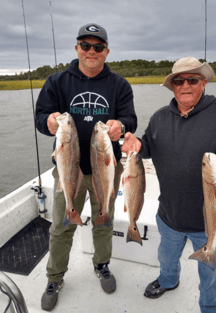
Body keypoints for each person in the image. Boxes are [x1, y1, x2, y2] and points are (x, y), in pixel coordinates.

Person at [122, 57, 216, 313]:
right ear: (172, 86)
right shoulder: (159, 118)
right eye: (179, 81)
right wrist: (137, 144)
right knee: (166, 259)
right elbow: (147, 146)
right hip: (169, 214)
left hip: (207, 222)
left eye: (193, 79)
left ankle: (211, 307)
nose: (185, 85)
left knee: (210, 274)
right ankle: (169, 281)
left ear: (202, 83)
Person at [35, 23, 137, 311]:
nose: (92, 51)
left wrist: (122, 125)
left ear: (106, 51)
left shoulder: (119, 85)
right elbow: (40, 117)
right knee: (61, 226)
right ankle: (55, 278)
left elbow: (130, 118)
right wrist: (50, 122)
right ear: (77, 47)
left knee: (104, 219)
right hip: (68, 168)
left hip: (106, 168)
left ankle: (101, 265)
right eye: (86, 45)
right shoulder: (56, 82)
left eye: (98, 47)